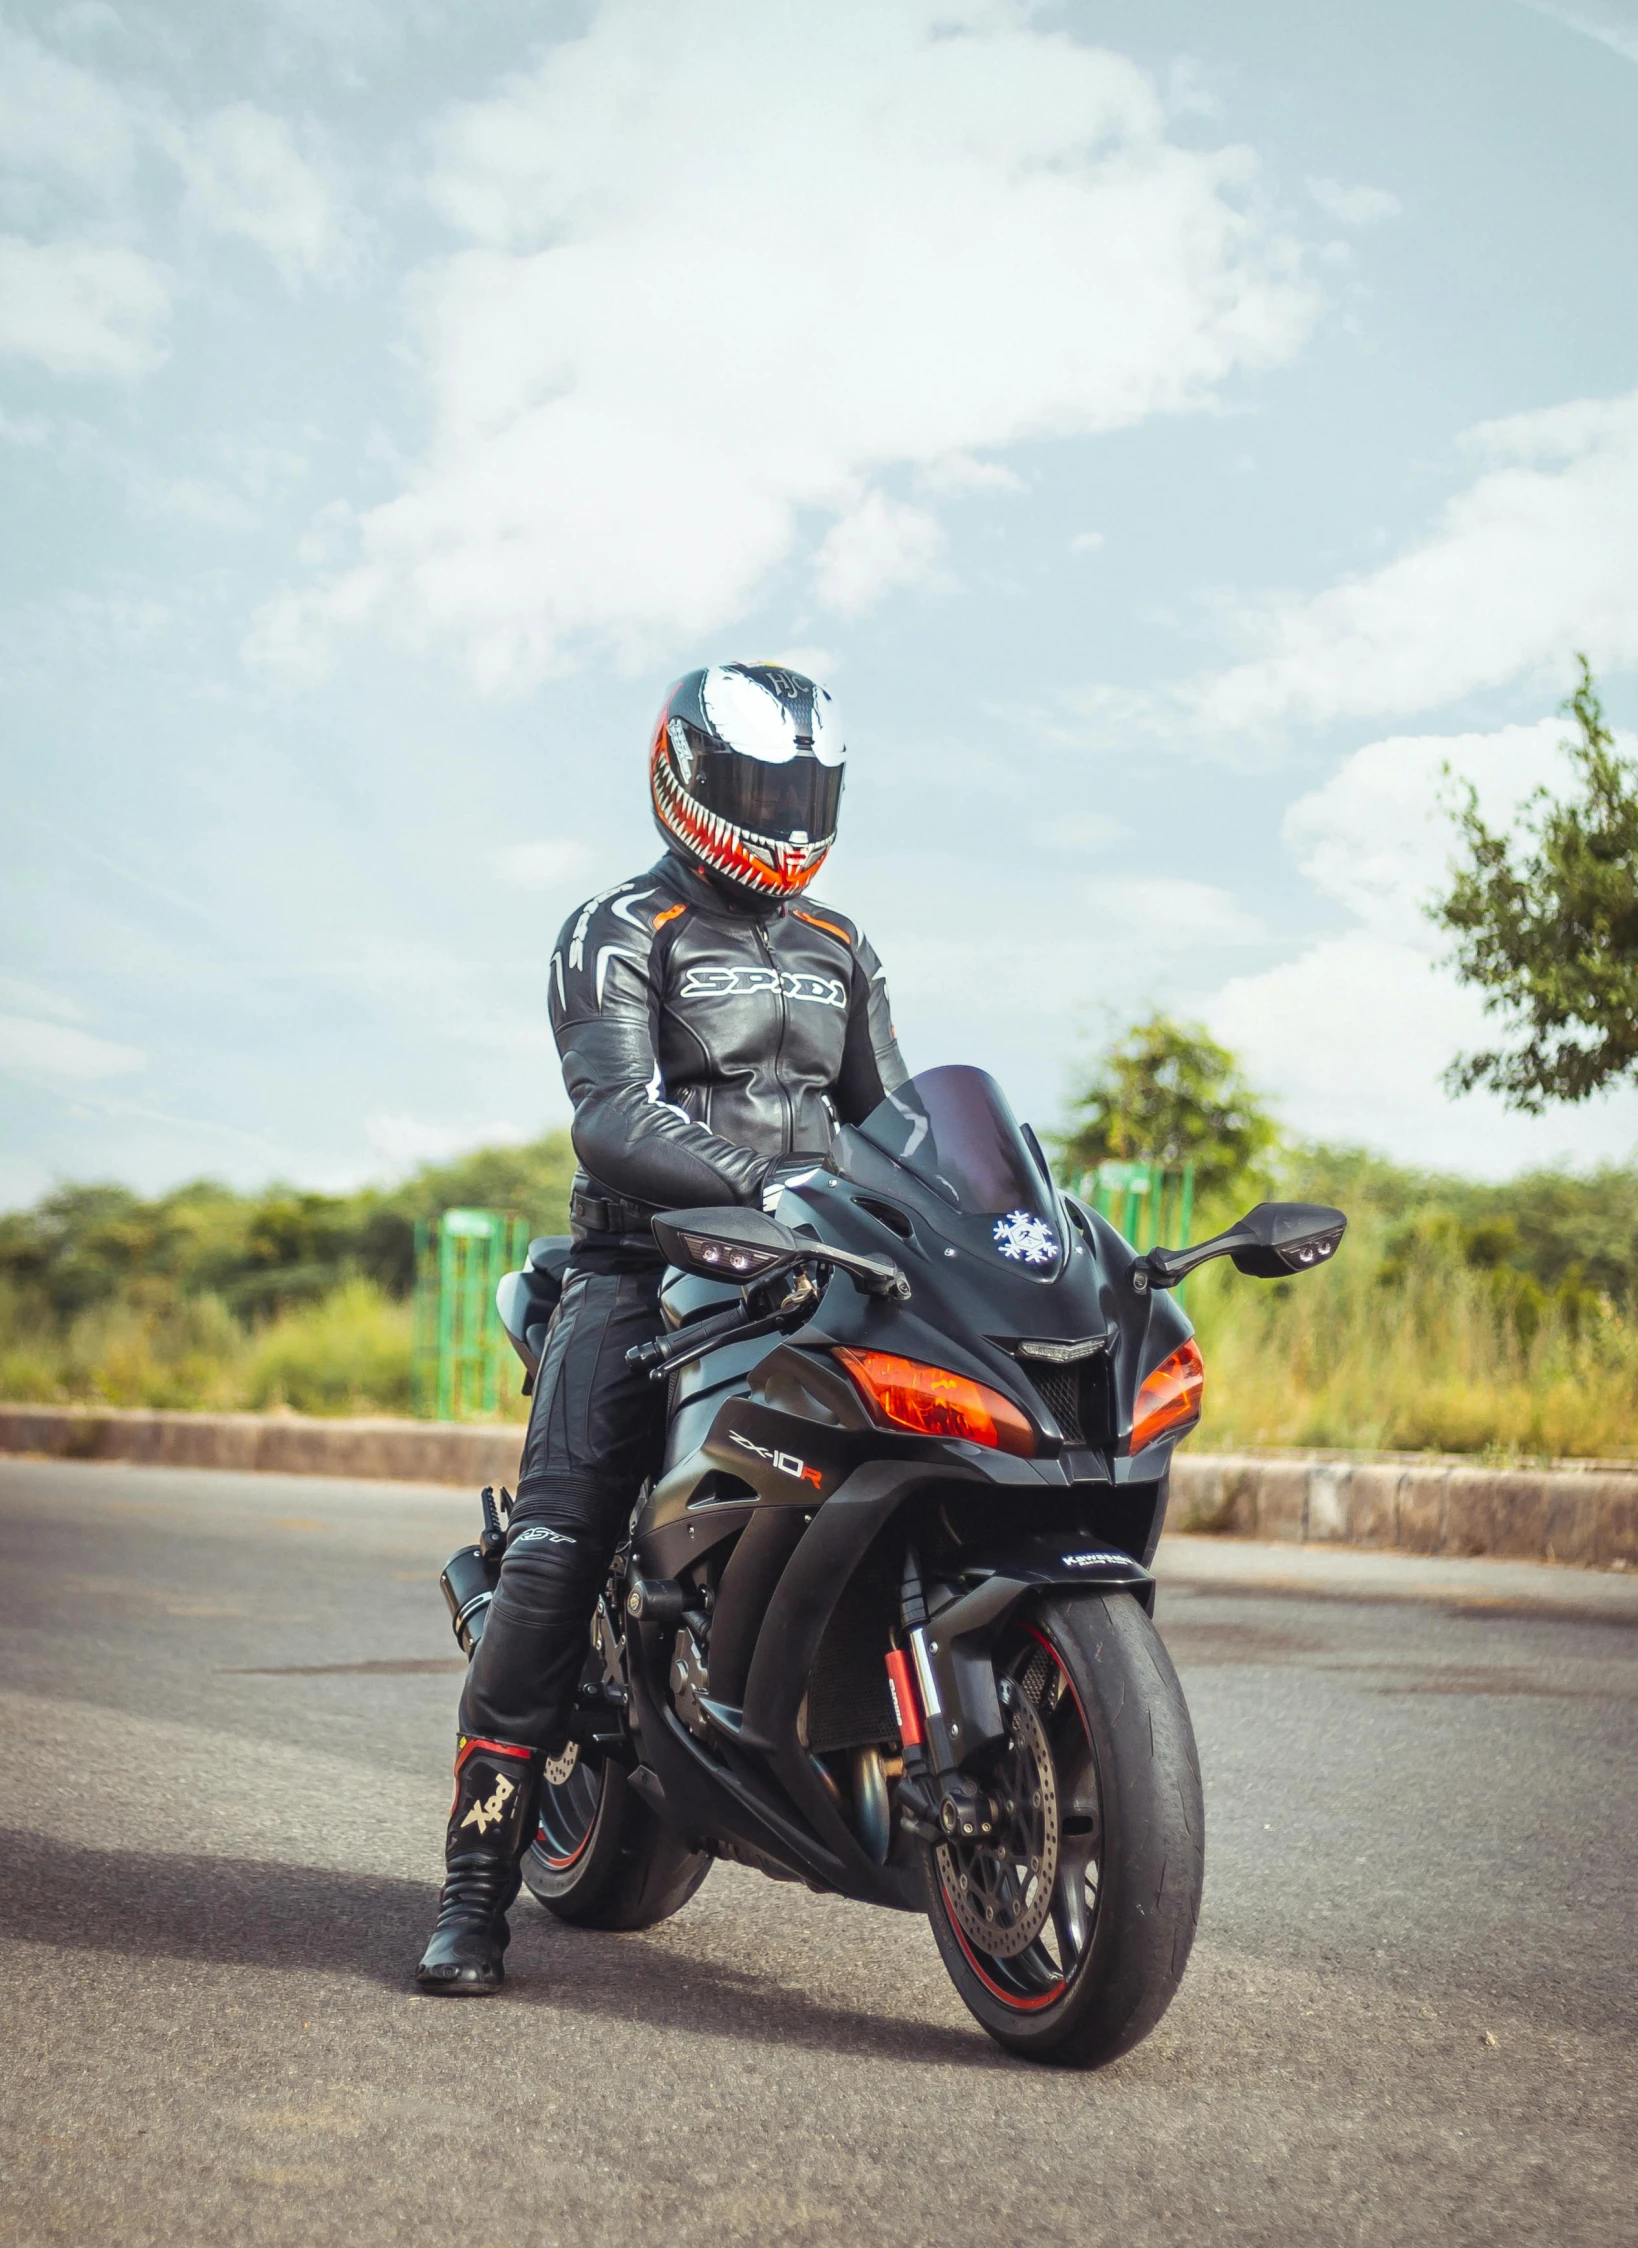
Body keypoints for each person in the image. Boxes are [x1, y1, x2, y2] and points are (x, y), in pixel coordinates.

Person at [417, 662, 907, 1992]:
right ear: (683, 773)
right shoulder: (618, 926)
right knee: (561, 1544)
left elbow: (895, 1123)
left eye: (805, 790)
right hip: (640, 1274)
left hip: (807, 1275)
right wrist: (763, 1184)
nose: (784, 814)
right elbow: (614, 1114)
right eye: (760, 788)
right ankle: (473, 1889)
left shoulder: (840, 951)